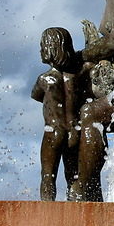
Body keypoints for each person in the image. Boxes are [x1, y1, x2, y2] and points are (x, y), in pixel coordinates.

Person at [32, 27, 86, 200]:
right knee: (74, 176)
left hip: (53, 130)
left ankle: (48, 210)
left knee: (48, 175)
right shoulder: (76, 77)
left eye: (42, 46)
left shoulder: (44, 79)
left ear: (50, 49)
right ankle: (75, 209)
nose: (40, 50)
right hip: (74, 130)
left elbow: (36, 95)